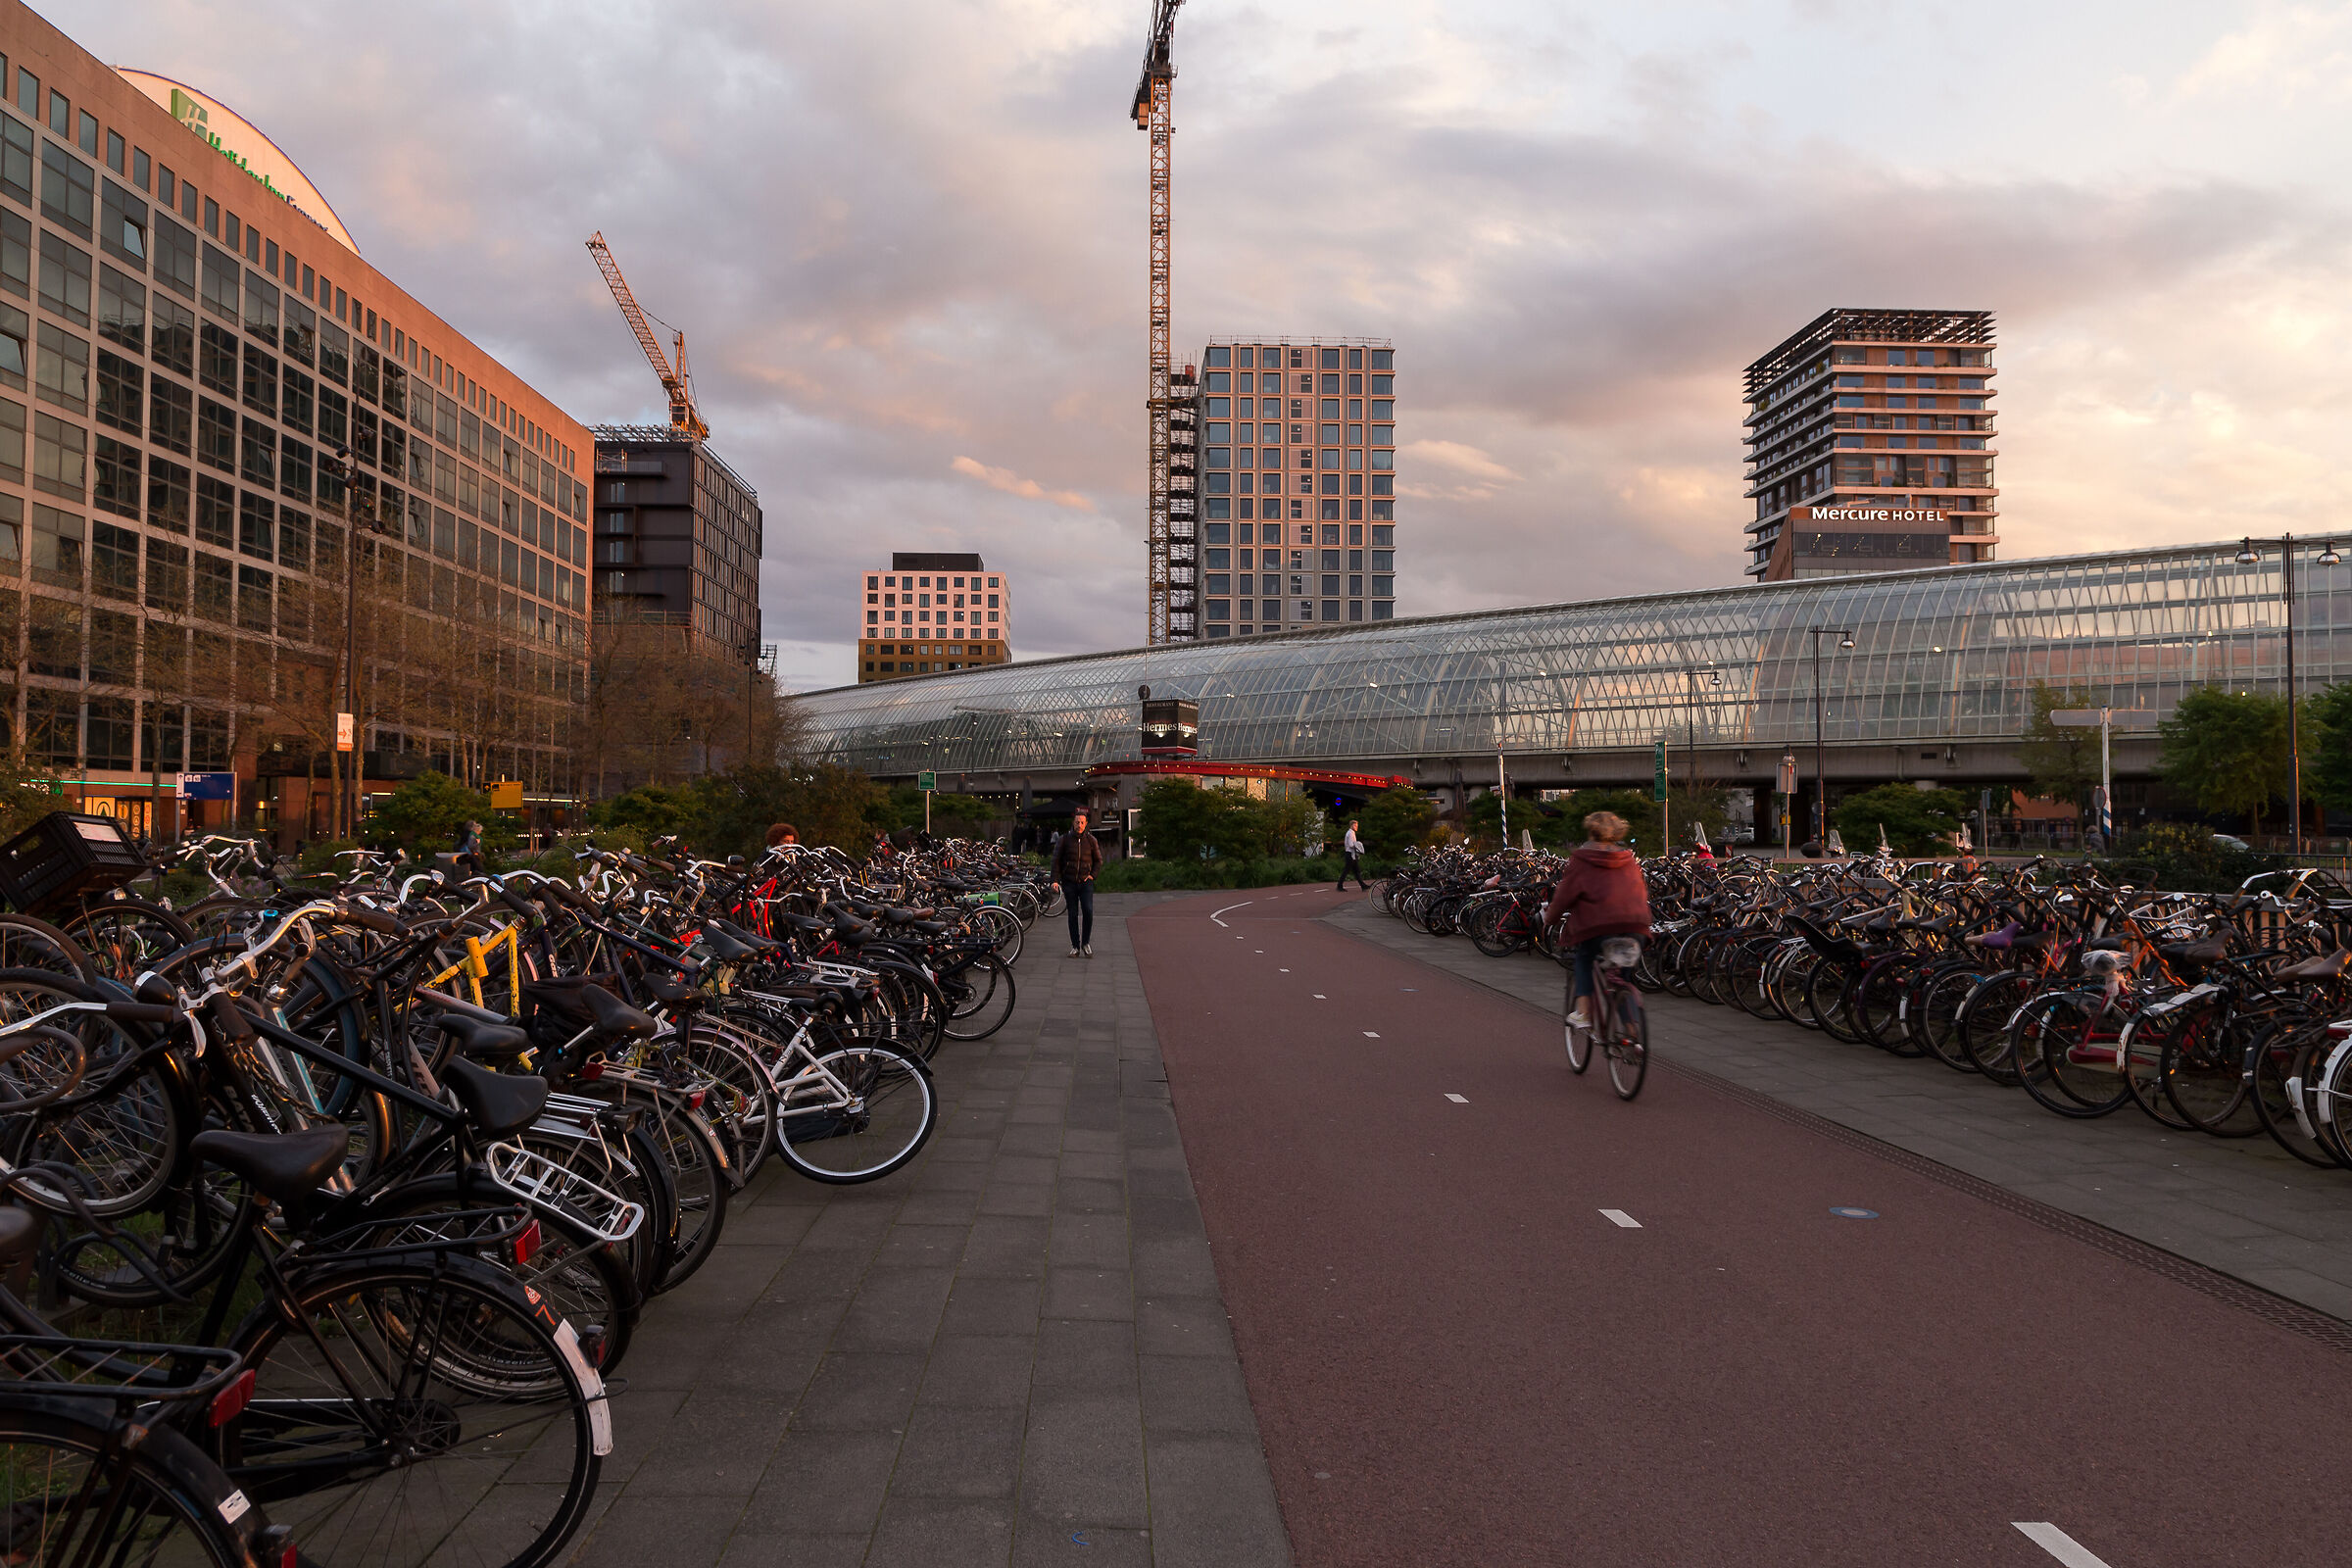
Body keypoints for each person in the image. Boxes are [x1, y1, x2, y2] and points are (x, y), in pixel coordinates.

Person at [1542, 810, 1652, 1044]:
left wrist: (1548, 919)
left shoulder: (1583, 860)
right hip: (1636, 926)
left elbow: (1564, 896)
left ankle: (1583, 1013)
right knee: (1624, 977)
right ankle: (1632, 1033)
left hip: (1599, 929)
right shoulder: (1629, 859)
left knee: (1583, 957)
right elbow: (1640, 891)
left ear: (1591, 832)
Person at [1054, 811, 1102, 957]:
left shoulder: (1091, 840)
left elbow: (1099, 860)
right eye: (1077, 822)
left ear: (1086, 823)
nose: (1079, 825)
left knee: (1088, 911)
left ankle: (1085, 943)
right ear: (1073, 823)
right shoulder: (1064, 840)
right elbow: (1055, 860)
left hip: (1085, 882)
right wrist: (1054, 880)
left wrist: (1092, 876)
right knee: (1072, 914)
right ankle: (1075, 946)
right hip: (1069, 882)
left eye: (1082, 822)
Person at [1336, 818, 1368, 891]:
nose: (1357, 827)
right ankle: (1339, 886)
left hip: (1351, 854)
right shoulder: (1350, 833)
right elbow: (1350, 845)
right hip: (1350, 854)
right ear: (1352, 825)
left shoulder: (1351, 833)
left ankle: (1363, 886)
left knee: (1356, 871)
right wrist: (1358, 845)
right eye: (1356, 826)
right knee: (1348, 870)